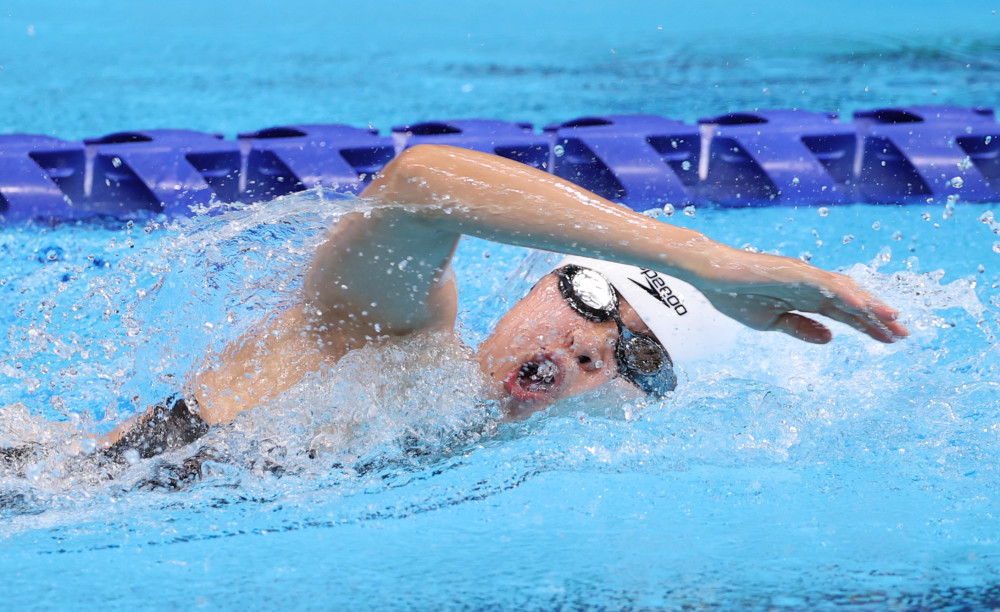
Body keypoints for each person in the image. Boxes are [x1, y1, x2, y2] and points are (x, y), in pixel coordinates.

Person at [95, 144, 906, 461]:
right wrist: (707, 262)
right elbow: (418, 185)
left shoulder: (454, 448)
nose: (592, 347)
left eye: (637, 357)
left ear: (632, 403)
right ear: (534, 284)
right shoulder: (391, 337)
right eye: (589, 297)